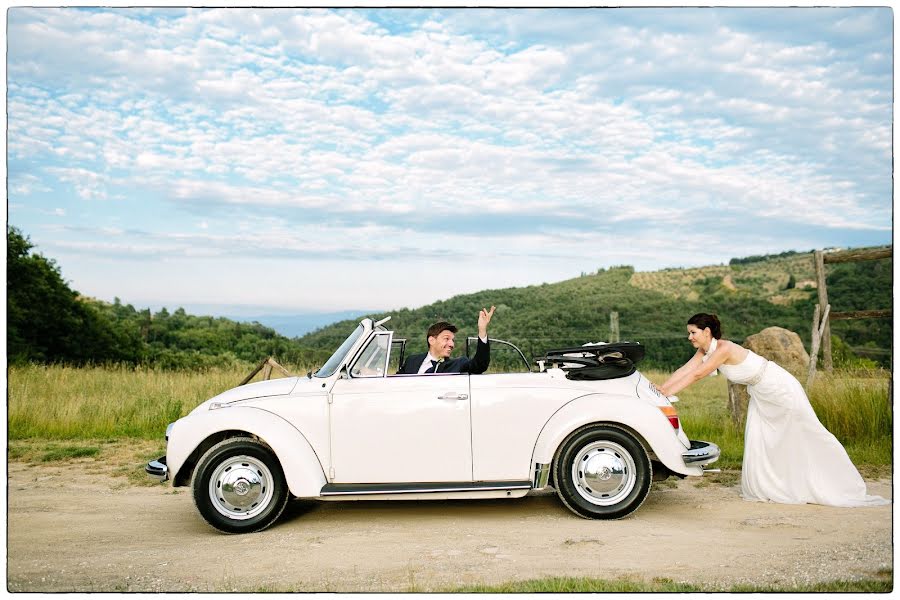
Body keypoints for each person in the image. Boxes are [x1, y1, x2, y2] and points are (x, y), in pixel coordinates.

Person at [659, 313, 888, 507]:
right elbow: (685, 369)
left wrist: (666, 395)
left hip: (779, 388)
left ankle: (839, 483)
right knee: (762, 439)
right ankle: (774, 485)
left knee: (808, 432)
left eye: (693, 332)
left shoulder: (724, 348)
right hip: (761, 395)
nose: (689, 337)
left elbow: (697, 375)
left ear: (707, 331)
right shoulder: (705, 351)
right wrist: (659, 390)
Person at [397, 306, 496, 375]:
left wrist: (482, 329)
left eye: (452, 340)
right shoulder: (412, 361)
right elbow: (394, 384)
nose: (451, 344)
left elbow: (480, 365)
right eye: (446, 339)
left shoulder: (459, 364)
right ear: (431, 340)